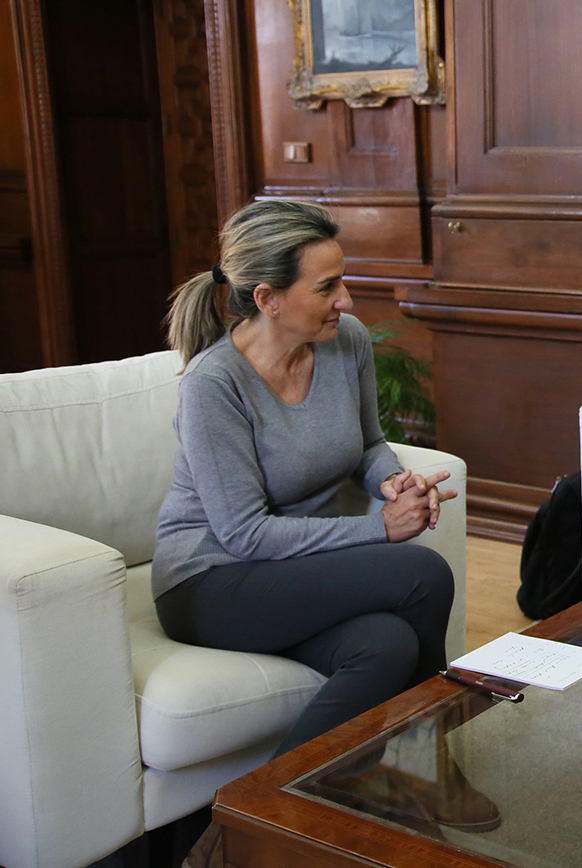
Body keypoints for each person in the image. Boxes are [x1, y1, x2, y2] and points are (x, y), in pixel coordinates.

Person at [154, 200, 498, 852]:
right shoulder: (214, 384)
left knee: (386, 644)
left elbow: (367, 443)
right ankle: (431, 766)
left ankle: (247, 824)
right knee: (421, 572)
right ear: (268, 297)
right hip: (210, 581)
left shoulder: (346, 342)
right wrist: (380, 529)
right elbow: (244, 535)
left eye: (343, 279)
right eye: (326, 286)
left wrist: (389, 480)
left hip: (291, 571)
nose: (346, 297)